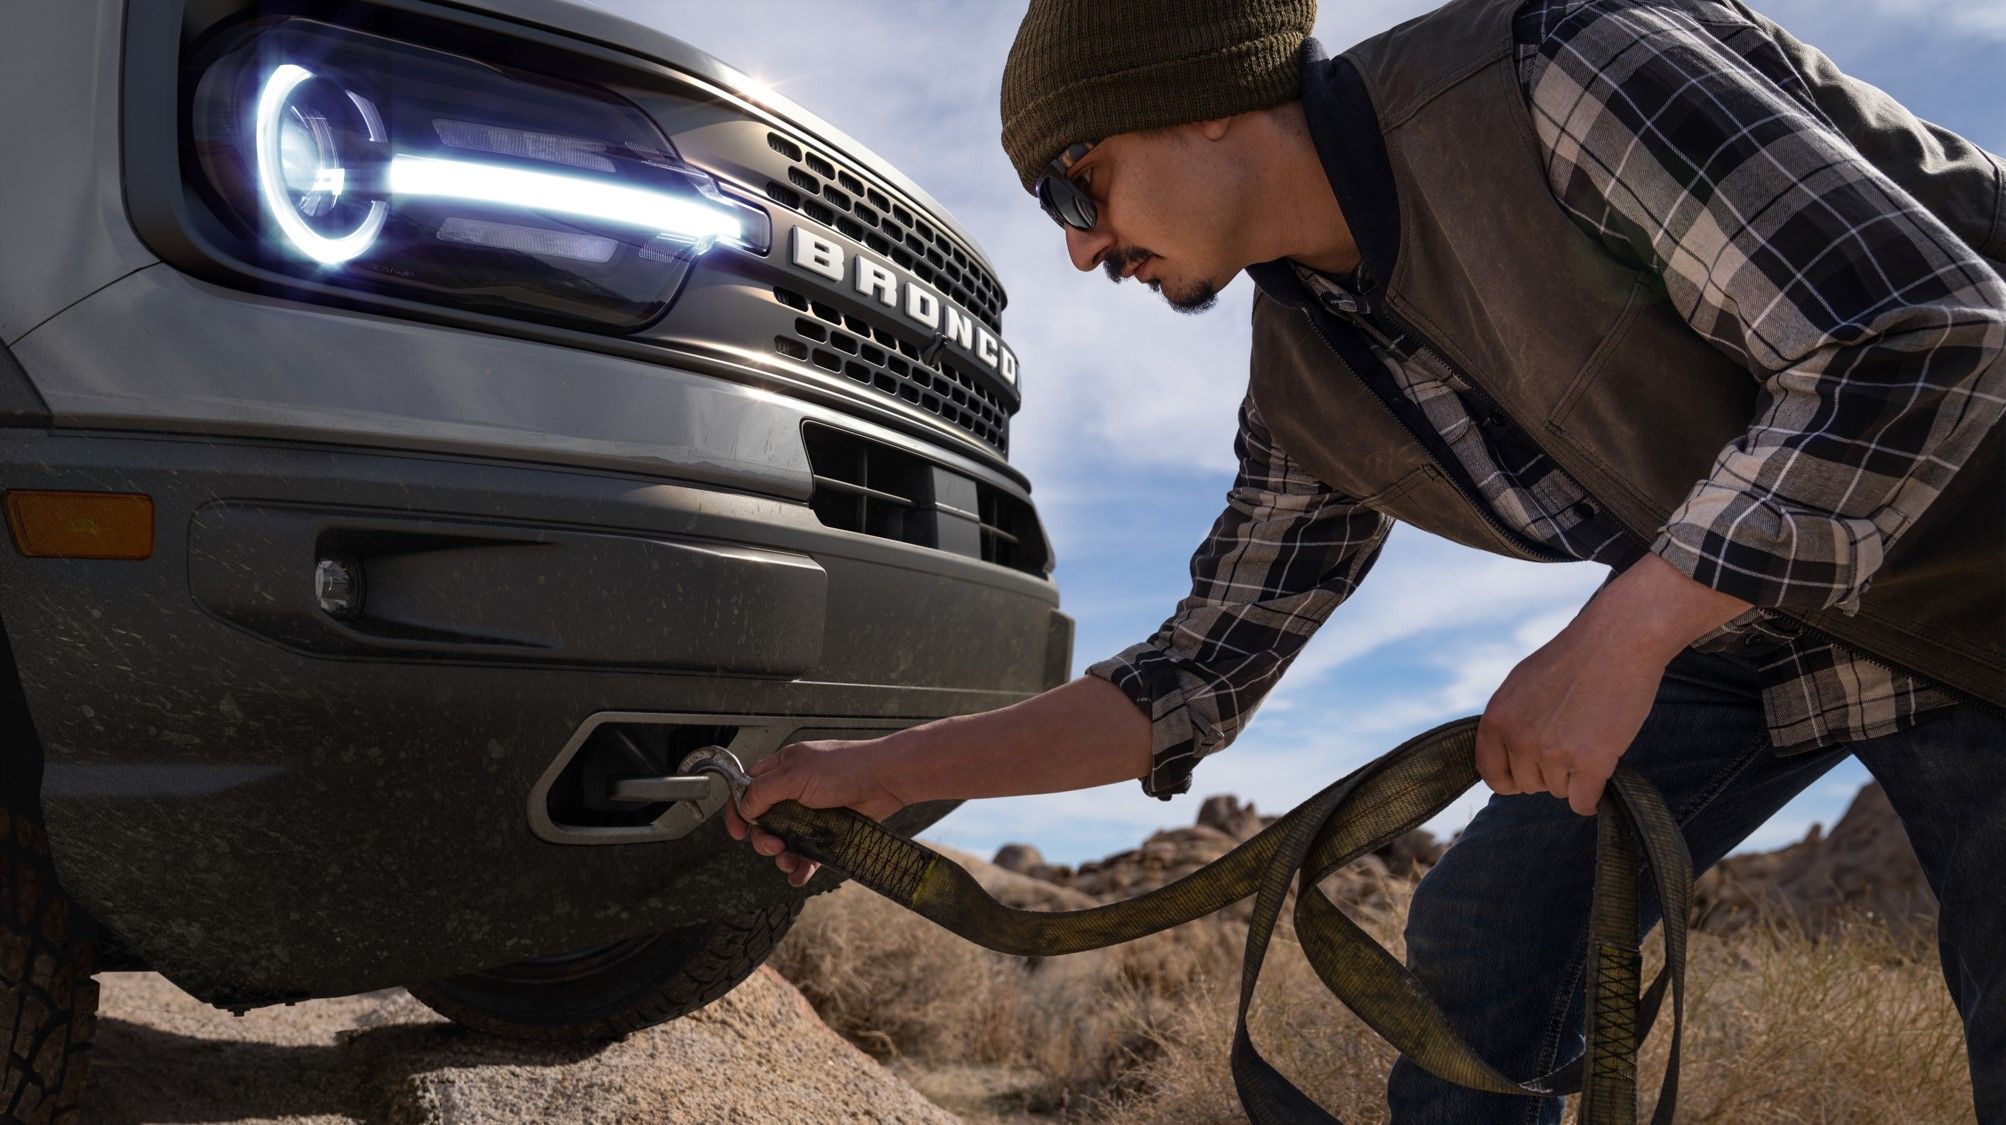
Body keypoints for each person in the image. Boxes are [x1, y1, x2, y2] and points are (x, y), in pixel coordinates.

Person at [726, 0, 2006, 1118]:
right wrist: (887, 773)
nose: (1077, 247)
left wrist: (1624, 633)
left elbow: (1921, 333)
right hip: (1769, 625)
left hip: (1977, 559)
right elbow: (1192, 678)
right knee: (1487, 937)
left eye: (1075, 186)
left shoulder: (1552, 69)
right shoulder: (1304, 391)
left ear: (1204, 102)